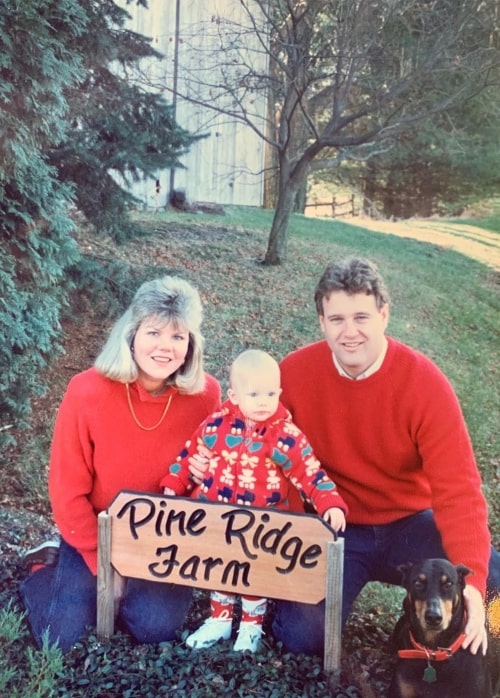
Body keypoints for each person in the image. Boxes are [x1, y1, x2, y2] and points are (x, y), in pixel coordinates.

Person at [265, 256, 500, 657]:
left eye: (361, 317)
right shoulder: (293, 374)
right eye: (336, 319)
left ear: (384, 315)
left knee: (496, 584)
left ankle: (476, 635)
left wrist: (474, 586)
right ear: (321, 321)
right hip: (333, 526)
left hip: (408, 525)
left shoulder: (425, 385)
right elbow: (265, 450)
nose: (350, 332)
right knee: (303, 639)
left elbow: (458, 493)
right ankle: (293, 606)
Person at [20, 276, 221, 652]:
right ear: (131, 334)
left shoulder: (206, 395)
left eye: (178, 337)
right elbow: (66, 489)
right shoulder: (86, 390)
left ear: (191, 345)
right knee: (62, 637)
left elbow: (207, 484)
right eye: (154, 332)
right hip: (97, 528)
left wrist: (202, 479)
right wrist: (102, 561)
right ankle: (44, 568)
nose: (165, 347)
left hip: (164, 538)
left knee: (154, 628)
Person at [161, 349, 348, 652]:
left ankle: (250, 626)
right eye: (255, 394)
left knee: (253, 574)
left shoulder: (283, 435)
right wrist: (175, 481)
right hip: (218, 517)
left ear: (280, 393)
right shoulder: (215, 425)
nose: (264, 401)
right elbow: (190, 454)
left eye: (271, 393)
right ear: (233, 395)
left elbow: (308, 470)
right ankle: (220, 620)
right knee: (221, 567)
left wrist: (329, 501)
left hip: (262, 525)